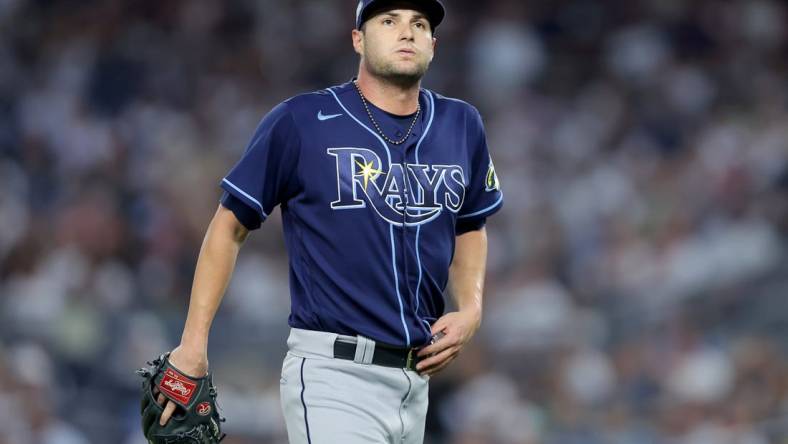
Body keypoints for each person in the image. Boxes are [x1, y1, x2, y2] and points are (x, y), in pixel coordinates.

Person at [154, 0, 503, 442]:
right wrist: (192, 344)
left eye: (419, 23)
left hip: (417, 383)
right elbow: (230, 225)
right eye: (388, 21)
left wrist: (470, 307)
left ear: (433, 44)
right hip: (334, 376)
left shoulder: (461, 124)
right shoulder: (301, 121)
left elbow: (472, 222)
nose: (407, 32)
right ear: (358, 38)